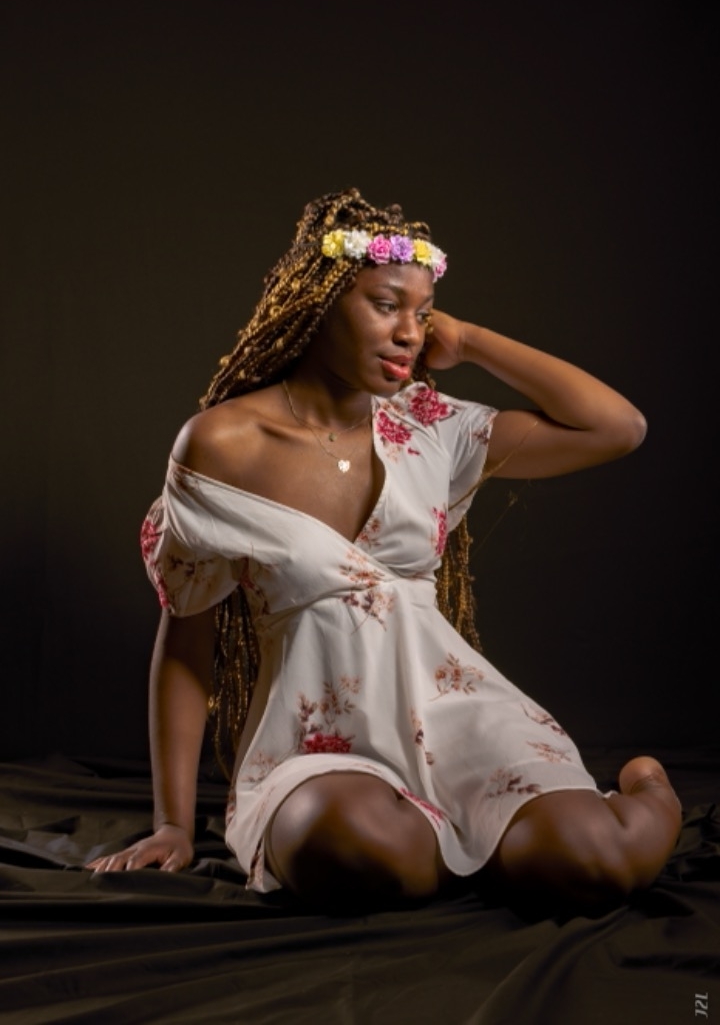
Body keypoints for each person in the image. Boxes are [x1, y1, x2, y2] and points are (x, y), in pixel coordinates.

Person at [88, 187, 681, 917]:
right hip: (320, 741)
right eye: (385, 305)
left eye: (423, 313)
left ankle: (645, 787)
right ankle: (473, 840)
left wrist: (472, 341)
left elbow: (618, 428)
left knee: (594, 855)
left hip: (452, 715)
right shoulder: (223, 445)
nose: (410, 333)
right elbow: (187, 638)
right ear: (318, 301)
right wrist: (174, 825)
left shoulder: (430, 425)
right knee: (354, 848)